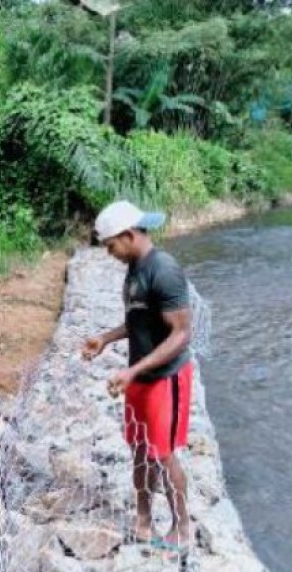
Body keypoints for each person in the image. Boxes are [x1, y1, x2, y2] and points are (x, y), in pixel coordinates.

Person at [82, 200, 194, 552]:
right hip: (139, 378)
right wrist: (105, 339)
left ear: (128, 235)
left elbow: (180, 333)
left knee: (163, 453)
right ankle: (144, 519)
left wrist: (134, 370)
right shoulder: (134, 268)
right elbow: (137, 321)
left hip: (165, 377)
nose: (109, 253)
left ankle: (182, 527)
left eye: (110, 245)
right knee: (140, 451)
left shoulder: (164, 270)